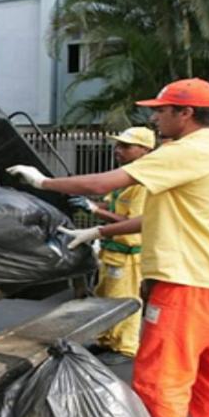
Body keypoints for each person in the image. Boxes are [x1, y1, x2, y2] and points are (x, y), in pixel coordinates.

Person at [6, 78, 209, 417]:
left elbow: (102, 184)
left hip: (183, 285)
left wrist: (41, 183)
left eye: (161, 111)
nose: (155, 119)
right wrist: (99, 234)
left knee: (162, 379)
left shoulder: (186, 152)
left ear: (185, 113)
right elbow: (167, 216)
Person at [67, 127, 155, 366]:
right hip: (112, 252)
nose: (118, 150)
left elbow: (130, 223)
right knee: (106, 298)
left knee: (123, 301)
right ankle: (106, 340)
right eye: (118, 145)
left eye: (126, 146)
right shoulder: (125, 179)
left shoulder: (143, 185)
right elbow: (108, 204)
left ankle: (125, 347)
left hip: (128, 256)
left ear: (145, 151)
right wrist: (89, 203)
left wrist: (95, 212)